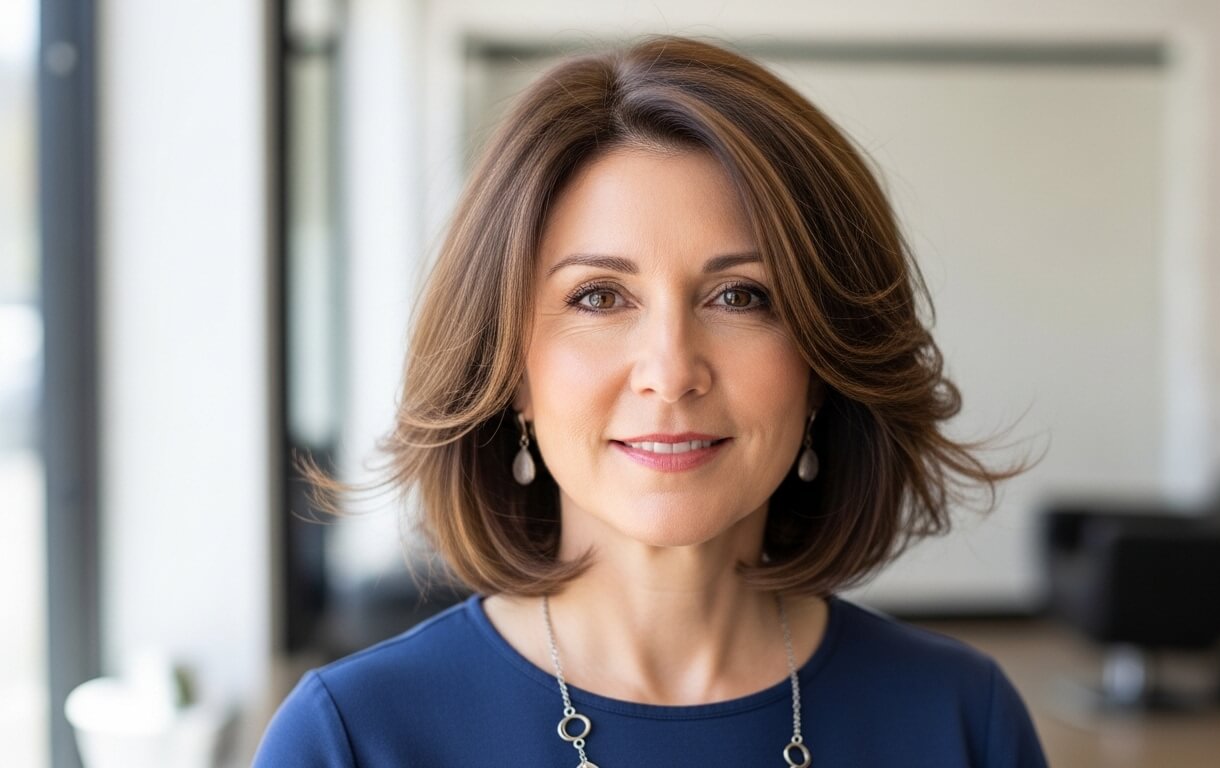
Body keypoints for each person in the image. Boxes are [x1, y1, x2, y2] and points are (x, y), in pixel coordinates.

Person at [254, 33, 1047, 767]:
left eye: (740, 296)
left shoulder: (961, 720)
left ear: (822, 363)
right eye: (599, 297)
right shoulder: (351, 738)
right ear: (511, 372)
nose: (670, 373)